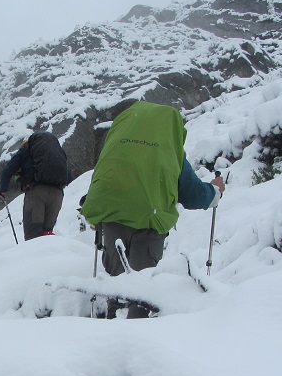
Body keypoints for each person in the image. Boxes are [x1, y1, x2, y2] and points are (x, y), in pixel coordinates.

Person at [80, 101, 225, 318]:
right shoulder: (168, 151)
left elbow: (103, 179)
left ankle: (110, 338)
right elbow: (193, 195)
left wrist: (95, 210)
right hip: (150, 224)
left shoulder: (119, 145)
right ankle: (138, 340)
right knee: (141, 293)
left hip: (111, 222)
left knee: (118, 289)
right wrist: (215, 192)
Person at [0, 131, 70, 241]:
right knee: (47, 235)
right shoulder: (54, 155)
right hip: (57, 195)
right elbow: (69, 177)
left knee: (33, 237)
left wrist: (3, 191)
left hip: (37, 193)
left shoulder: (25, 151)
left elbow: (7, 171)